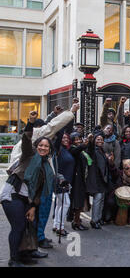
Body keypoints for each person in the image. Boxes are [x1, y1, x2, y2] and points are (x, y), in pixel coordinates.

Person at [0, 111, 56, 266]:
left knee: (29, 226)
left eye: (46, 146)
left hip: (26, 198)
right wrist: (30, 122)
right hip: (12, 194)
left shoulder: (46, 167)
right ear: (36, 146)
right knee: (18, 226)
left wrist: (32, 207)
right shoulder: (29, 154)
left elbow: (38, 191)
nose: (43, 148)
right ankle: (14, 259)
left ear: (49, 149)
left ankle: (25, 255)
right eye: (41, 145)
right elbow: (26, 139)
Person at [85, 133, 115, 229]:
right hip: (95, 178)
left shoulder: (102, 151)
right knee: (97, 200)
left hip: (103, 179)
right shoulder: (93, 150)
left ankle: (98, 219)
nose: (100, 141)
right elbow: (89, 149)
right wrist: (90, 141)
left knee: (101, 199)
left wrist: (109, 159)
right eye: (97, 139)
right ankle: (94, 220)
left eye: (101, 140)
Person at [52, 133, 75, 236]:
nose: (66, 139)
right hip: (60, 181)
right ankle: (60, 227)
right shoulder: (58, 149)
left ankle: (56, 224)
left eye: (67, 137)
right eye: (63, 137)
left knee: (59, 204)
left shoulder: (66, 149)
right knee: (66, 203)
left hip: (65, 181)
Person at [68, 132, 90, 231]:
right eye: (76, 139)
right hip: (76, 179)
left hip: (82, 178)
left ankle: (77, 220)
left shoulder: (82, 150)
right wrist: (84, 144)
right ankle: (76, 222)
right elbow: (77, 150)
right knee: (77, 201)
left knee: (80, 201)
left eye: (79, 139)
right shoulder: (72, 149)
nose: (78, 141)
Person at [111, 159, 130, 224]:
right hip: (117, 198)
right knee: (110, 201)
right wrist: (112, 163)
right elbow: (113, 171)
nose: (129, 170)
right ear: (123, 168)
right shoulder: (118, 174)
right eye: (127, 168)